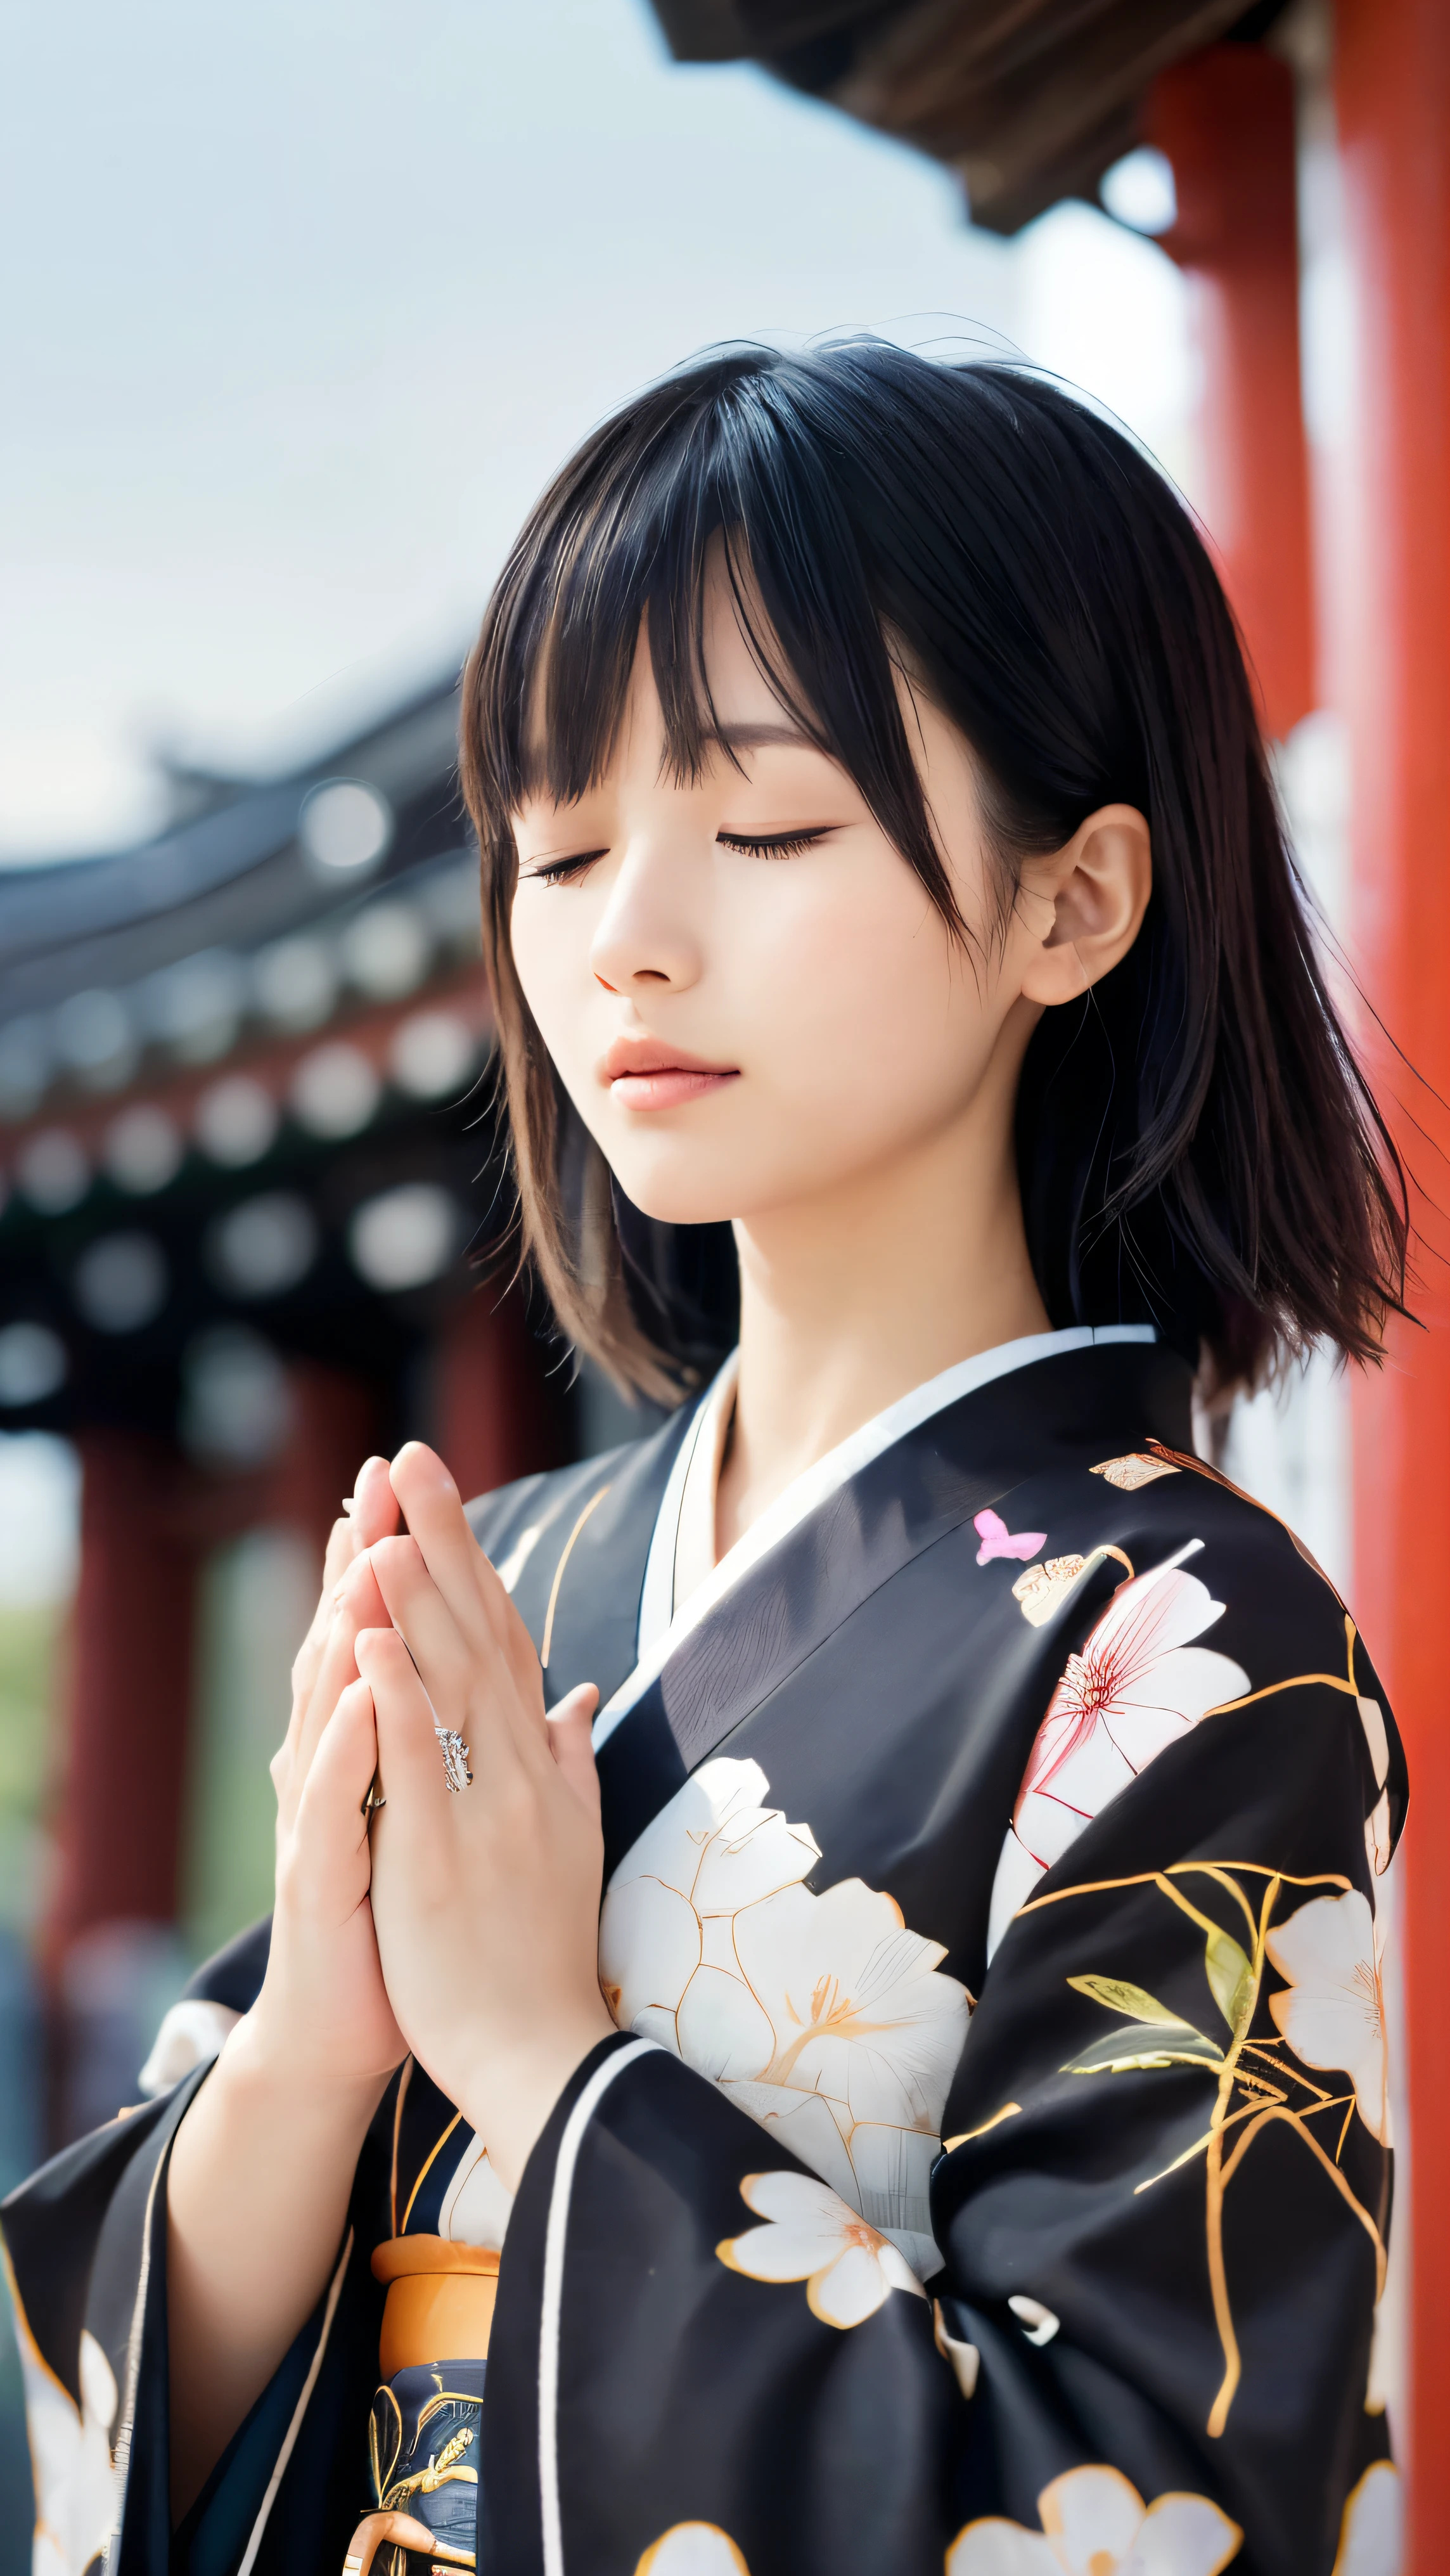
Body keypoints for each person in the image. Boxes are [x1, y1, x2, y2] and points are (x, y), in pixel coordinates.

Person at [3, 343, 1408, 2576]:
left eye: (761, 825)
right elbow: (104, 2422)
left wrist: (550, 2067)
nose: (621, 936)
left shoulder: (1198, 1645)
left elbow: (1154, 2507)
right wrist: (315, 2059)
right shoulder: (516, 1575)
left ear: (1076, 901)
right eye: (554, 848)